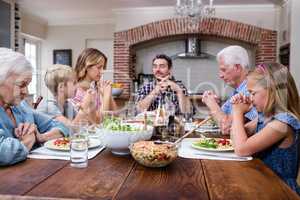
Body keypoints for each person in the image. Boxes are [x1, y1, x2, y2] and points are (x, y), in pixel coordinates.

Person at [231, 63, 300, 194]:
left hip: (280, 190)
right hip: (262, 182)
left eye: (253, 93)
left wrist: (237, 112)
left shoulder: (283, 123)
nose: (250, 99)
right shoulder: (265, 117)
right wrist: (240, 109)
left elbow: (241, 149)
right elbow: (235, 137)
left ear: (272, 90)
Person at [0, 48, 69, 166]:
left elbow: (62, 127)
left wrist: (41, 137)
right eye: (21, 85)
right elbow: (4, 152)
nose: (26, 92)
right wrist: (29, 139)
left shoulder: (21, 107)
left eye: (27, 85)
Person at [202, 45, 257, 134]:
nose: (220, 75)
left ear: (238, 67)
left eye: (223, 70)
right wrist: (215, 105)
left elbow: (226, 127)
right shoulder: (238, 90)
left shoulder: (250, 91)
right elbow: (218, 119)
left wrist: (212, 104)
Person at [72, 48, 117, 119]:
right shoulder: (76, 92)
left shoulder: (93, 88)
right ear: (87, 66)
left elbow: (116, 117)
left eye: (103, 68)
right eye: (99, 67)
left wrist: (109, 95)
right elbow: (99, 122)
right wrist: (106, 96)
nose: (102, 72)